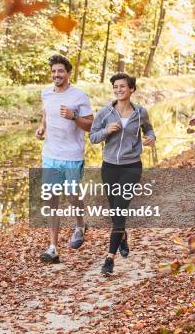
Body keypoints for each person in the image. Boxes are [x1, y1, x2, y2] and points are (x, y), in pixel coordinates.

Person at [89, 73, 155, 275]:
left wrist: (151, 138)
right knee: (115, 212)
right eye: (115, 87)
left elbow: (149, 130)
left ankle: (109, 259)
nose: (118, 90)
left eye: (122, 86)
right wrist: (106, 131)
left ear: (132, 89)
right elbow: (93, 137)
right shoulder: (105, 113)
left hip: (131, 166)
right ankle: (123, 235)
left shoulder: (140, 112)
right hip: (109, 167)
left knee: (120, 211)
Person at [36, 54, 94, 264]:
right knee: (51, 200)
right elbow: (46, 112)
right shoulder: (46, 93)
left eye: (60, 71)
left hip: (71, 155)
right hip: (50, 154)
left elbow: (90, 125)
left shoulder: (79, 96)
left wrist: (73, 117)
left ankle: (80, 224)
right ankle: (53, 247)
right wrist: (43, 126)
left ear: (69, 73)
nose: (56, 75)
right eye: (53, 72)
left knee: (71, 197)